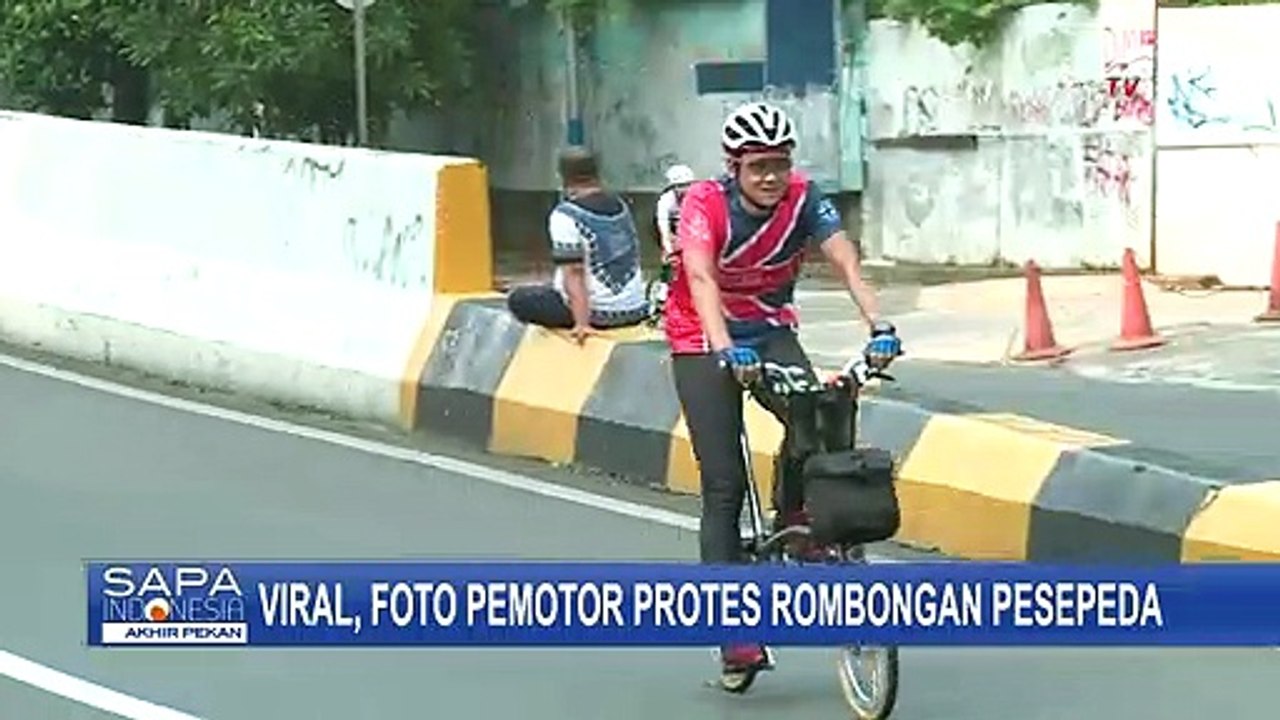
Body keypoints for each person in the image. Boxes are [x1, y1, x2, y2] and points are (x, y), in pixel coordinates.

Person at [661, 101, 902, 677]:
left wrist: (881, 325)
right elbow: (698, 276)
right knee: (723, 484)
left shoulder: (802, 198)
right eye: (758, 166)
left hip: (768, 330)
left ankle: (796, 516)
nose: (771, 176)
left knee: (816, 416)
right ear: (734, 166)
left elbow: (844, 258)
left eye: (780, 164)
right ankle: (733, 633)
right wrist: (723, 347)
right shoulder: (706, 204)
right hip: (702, 336)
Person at [506, 146, 649, 344]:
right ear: (597, 172)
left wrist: (581, 323)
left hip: (599, 314)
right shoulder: (620, 207)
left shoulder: (566, 215)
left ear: (563, 176)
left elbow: (574, 271)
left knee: (519, 299)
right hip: (636, 309)